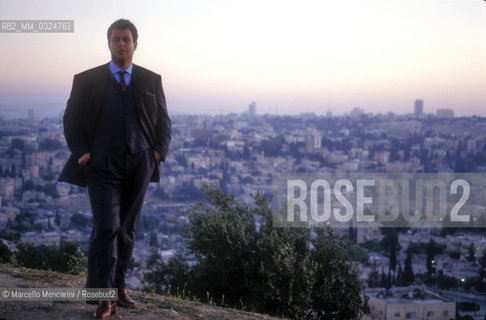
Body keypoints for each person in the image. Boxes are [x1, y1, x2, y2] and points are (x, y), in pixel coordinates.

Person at [59, 19, 171, 319]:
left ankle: (119, 286)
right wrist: (81, 152)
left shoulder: (151, 80)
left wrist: (157, 153)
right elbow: (71, 120)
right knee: (106, 227)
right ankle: (103, 296)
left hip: (140, 163)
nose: (121, 44)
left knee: (127, 229)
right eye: (116, 39)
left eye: (126, 39)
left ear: (135, 43)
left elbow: (163, 122)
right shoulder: (86, 79)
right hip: (100, 164)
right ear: (108, 43)